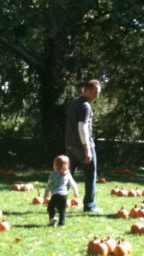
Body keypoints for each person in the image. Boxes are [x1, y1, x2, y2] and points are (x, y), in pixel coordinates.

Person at [65, 79, 102, 213]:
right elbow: (82, 127)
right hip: (82, 147)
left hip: (70, 146)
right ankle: (90, 205)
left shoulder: (74, 102)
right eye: (95, 92)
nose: (97, 96)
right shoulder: (85, 106)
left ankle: (60, 202)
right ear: (87, 89)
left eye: (98, 93)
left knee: (66, 176)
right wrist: (87, 149)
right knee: (90, 176)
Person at [44, 155, 79, 226]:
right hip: (64, 195)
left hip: (55, 195)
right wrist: (76, 192)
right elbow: (73, 183)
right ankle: (61, 223)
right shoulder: (68, 174)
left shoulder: (53, 174)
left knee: (50, 207)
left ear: (55, 165)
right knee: (62, 210)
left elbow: (49, 185)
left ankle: (52, 219)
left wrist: (46, 193)